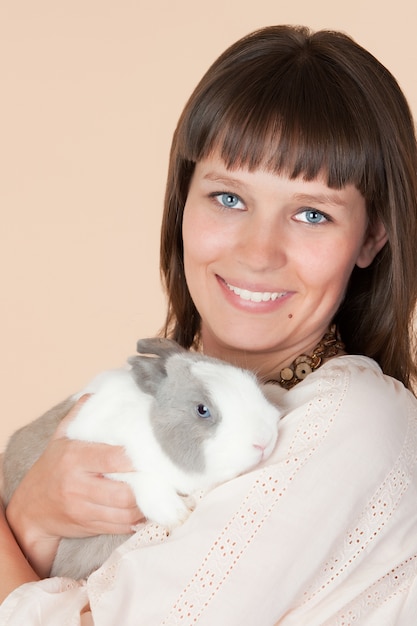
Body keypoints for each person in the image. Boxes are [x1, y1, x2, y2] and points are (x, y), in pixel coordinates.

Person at [1, 24, 417, 625]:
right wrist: (35, 522)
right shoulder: (158, 414)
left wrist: (18, 525)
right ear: (183, 202)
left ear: (372, 236)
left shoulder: (352, 419)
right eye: (228, 198)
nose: (258, 251)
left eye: (310, 212)